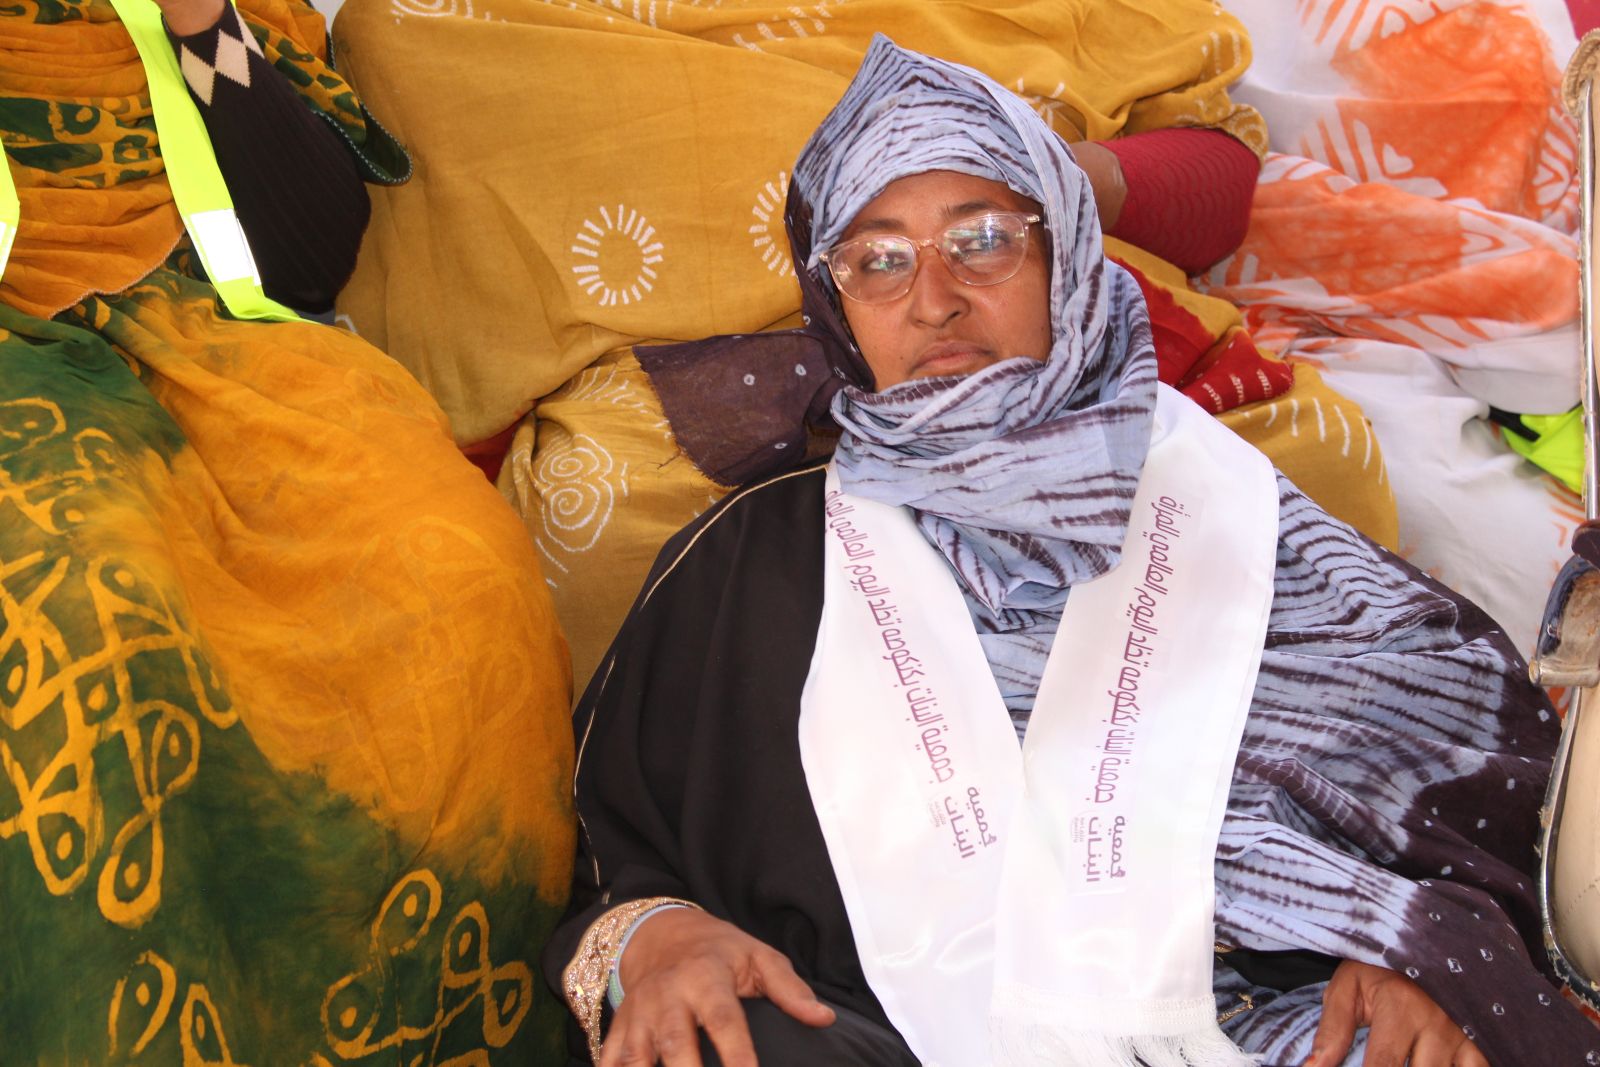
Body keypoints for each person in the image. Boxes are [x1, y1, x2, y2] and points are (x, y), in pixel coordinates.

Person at [542, 37, 1600, 1067]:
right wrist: (656, 936)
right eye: (879, 260)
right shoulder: (751, 566)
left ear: (1067, 258)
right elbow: (616, 852)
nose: (934, 298)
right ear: (834, 301)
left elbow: (1491, 799)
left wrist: (1420, 947)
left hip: (1270, 1027)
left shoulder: (1240, 518)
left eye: (983, 240)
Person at [0, 0, 573, 1061]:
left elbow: (308, 260)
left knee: (461, 577)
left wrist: (199, 24)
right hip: (21, 374)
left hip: (213, 351)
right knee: (89, 601)